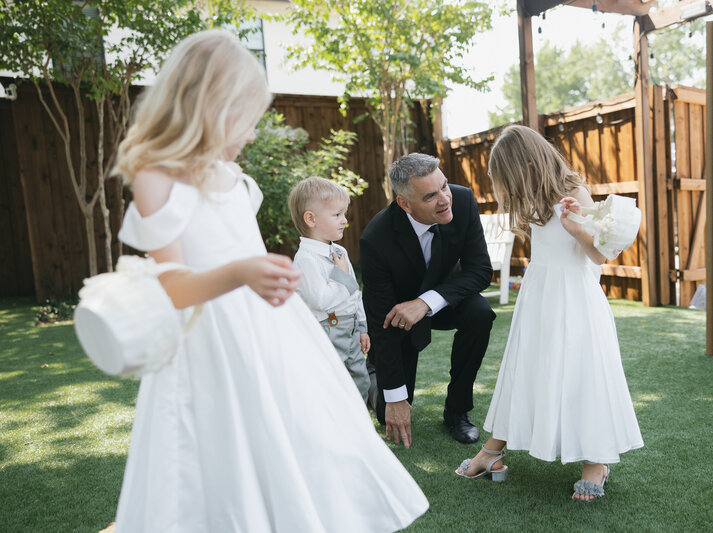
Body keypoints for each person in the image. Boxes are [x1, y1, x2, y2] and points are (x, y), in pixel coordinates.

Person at [111, 30, 428, 531]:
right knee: (221, 450)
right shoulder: (157, 176)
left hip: (267, 332)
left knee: (295, 440)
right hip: (206, 340)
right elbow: (170, 287)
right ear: (207, 105)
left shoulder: (236, 179)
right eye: (246, 120)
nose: (253, 135)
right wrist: (241, 272)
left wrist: (261, 271)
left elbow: (241, 252)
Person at [454, 125, 643, 501]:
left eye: (509, 179)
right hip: (539, 298)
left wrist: (575, 227)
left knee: (581, 373)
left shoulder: (575, 193)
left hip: (574, 300)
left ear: (528, 164)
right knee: (525, 369)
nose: (508, 189)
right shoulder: (536, 201)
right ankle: (493, 450)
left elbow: (599, 256)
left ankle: (596, 460)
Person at [360, 153, 495, 448]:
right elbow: (379, 320)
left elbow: (481, 270)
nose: (445, 199)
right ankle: (372, 373)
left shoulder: (462, 200)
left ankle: (457, 410)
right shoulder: (375, 238)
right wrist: (395, 398)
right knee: (387, 413)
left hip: (444, 300)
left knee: (480, 313)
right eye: (431, 195)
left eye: (444, 186)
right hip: (397, 317)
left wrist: (425, 302)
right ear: (405, 203)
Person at [288, 177, 374, 405]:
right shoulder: (305, 259)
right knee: (332, 384)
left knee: (360, 381)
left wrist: (362, 326)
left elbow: (355, 293)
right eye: (337, 215)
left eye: (344, 214)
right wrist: (342, 276)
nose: (344, 220)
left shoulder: (340, 252)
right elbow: (321, 300)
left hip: (351, 330)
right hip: (328, 330)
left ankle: (359, 428)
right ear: (311, 219)